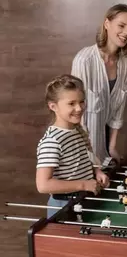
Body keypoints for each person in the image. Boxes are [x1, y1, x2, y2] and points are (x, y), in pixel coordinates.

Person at [71, 4, 127, 164]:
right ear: (107, 24)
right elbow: (74, 112)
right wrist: (87, 155)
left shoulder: (125, 64)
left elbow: (118, 111)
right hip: (82, 147)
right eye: (121, 26)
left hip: (106, 144)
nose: (126, 33)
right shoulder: (84, 60)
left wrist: (112, 147)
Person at [36, 75, 110, 218]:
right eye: (71, 103)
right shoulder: (52, 141)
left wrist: (97, 171)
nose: (79, 108)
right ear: (53, 106)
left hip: (82, 200)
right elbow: (43, 185)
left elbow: (84, 158)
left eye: (82, 102)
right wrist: (83, 184)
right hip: (63, 206)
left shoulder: (77, 130)